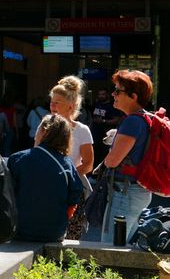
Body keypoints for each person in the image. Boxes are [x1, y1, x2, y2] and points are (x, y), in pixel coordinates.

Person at [7, 114, 83, 242]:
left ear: (44, 132)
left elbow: (7, 196)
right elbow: (74, 198)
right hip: (54, 233)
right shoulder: (67, 164)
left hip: (20, 230)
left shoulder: (17, 159)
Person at [101, 70, 154, 243]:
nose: (113, 94)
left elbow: (112, 161)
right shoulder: (145, 118)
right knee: (123, 245)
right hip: (135, 191)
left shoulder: (132, 121)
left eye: (118, 91)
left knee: (110, 246)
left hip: (125, 192)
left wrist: (109, 154)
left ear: (133, 96)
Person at [49, 76, 95, 178]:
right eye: (51, 102)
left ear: (71, 106)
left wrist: (66, 177)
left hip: (71, 184)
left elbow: (88, 165)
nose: (52, 106)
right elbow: (37, 156)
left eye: (57, 102)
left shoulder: (82, 130)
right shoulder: (44, 126)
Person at [92, 88, 123, 165]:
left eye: (103, 94)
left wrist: (104, 121)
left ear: (107, 95)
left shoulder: (112, 106)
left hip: (106, 134)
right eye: (99, 94)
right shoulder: (97, 104)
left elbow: (117, 120)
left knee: (103, 155)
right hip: (95, 134)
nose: (101, 96)